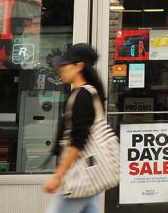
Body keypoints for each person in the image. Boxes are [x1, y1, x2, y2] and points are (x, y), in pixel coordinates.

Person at [45, 43, 107, 213]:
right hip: (88, 174)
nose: (61, 68)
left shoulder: (82, 96)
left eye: (65, 64)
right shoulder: (90, 93)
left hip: (78, 175)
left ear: (79, 66)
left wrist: (58, 176)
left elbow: (77, 142)